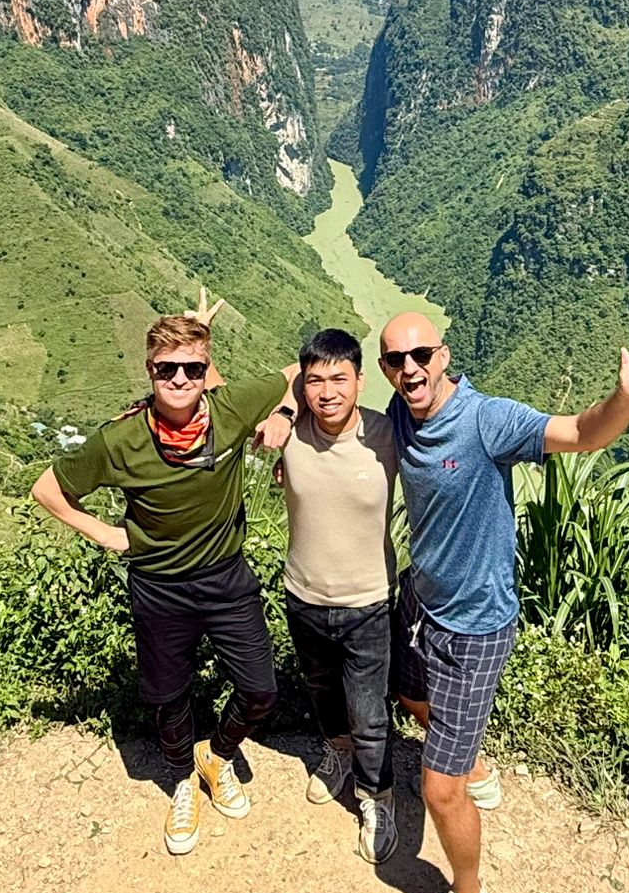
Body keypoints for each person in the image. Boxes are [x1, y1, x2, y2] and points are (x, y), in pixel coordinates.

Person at [382, 311, 629, 893]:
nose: (409, 369)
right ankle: (473, 764)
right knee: (407, 694)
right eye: (395, 360)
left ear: (443, 356)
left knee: (438, 789)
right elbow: (317, 381)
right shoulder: (401, 410)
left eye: (420, 355)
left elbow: (577, 433)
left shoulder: (486, 419)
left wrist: (625, 401)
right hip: (421, 599)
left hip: (476, 625)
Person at [30, 292, 299, 856]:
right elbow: (48, 490)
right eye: (167, 368)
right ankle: (181, 780)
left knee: (259, 688)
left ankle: (216, 757)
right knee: (169, 696)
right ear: (149, 370)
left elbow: (302, 372)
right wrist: (108, 535)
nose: (179, 378)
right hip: (158, 586)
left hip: (226, 578)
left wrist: (283, 414)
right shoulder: (119, 440)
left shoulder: (229, 410)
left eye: (192, 368)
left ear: (206, 372)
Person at [276, 327, 400, 863]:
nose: (327, 392)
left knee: (370, 713)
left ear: (360, 380)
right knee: (321, 691)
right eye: (315, 381)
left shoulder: (387, 436)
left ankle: (378, 796)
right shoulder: (289, 431)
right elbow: (249, 388)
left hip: (369, 602)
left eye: (339, 379)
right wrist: (283, 410)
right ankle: (336, 753)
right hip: (303, 595)